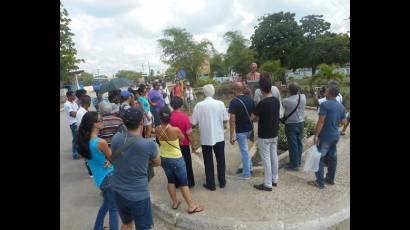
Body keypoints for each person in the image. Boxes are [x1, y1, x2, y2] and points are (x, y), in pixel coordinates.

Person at [110, 108, 161, 230]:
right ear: (141, 123)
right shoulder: (148, 144)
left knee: (126, 223)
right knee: (144, 226)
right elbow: (157, 162)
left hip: (118, 190)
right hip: (138, 195)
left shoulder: (116, 138)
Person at [157, 106, 204, 214]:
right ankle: (191, 206)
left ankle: (175, 202)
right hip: (176, 158)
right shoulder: (175, 130)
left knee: (171, 181)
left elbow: (159, 141)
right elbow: (182, 139)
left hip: (164, 157)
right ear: (170, 117)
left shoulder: (157, 129)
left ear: (159, 117)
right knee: (183, 183)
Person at [77, 111, 119, 230]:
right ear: (94, 124)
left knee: (107, 204)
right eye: (100, 120)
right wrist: (111, 160)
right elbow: (113, 157)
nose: (103, 122)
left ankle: (98, 227)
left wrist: (109, 160)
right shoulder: (101, 142)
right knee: (114, 208)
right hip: (109, 176)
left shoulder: (84, 141)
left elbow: (99, 158)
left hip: (99, 179)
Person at [308, 82, 347, 189]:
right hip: (335, 135)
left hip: (325, 135)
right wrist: (334, 121)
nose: (325, 91)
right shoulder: (341, 106)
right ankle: (330, 179)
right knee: (332, 157)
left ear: (329, 93)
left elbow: (321, 121)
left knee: (319, 158)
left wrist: (316, 135)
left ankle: (319, 182)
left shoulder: (324, 104)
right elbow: (344, 122)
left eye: (327, 90)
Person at [191, 84, 229, 191]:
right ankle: (222, 182)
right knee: (221, 160)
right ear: (213, 92)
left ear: (204, 93)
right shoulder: (220, 104)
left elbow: (193, 122)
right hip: (219, 136)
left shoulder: (199, 105)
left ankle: (211, 184)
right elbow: (225, 119)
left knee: (208, 161)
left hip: (206, 137)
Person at [251, 77, 280, 191]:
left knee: (266, 159)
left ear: (261, 89)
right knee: (274, 156)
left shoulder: (262, 103)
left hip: (264, 135)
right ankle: (274, 179)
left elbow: (253, 117)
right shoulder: (276, 101)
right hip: (274, 133)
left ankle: (267, 184)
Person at [228, 82, 255, 180]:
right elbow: (254, 115)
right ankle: (250, 168)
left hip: (241, 130)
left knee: (244, 151)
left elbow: (232, 120)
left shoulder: (234, 102)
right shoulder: (250, 99)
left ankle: (246, 173)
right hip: (250, 129)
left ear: (235, 90)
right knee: (246, 150)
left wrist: (231, 135)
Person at [170, 97, 197, 187]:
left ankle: (177, 183)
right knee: (187, 164)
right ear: (181, 105)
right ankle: (189, 182)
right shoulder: (184, 117)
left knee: (175, 164)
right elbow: (189, 134)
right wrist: (193, 145)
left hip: (173, 145)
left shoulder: (169, 116)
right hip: (184, 144)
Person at [282, 82, 306, 171]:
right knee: (299, 143)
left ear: (289, 90)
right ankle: (298, 161)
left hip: (291, 124)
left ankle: (294, 165)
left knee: (293, 145)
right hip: (301, 123)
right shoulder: (303, 97)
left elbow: (281, 108)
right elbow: (299, 92)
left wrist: (284, 92)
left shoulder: (286, 101)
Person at [76, 95, 94, 178]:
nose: (91, 103)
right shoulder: (81, 113)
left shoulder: (85, 111)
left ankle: (92, 170)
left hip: (87, 134)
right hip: (85, 135)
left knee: (90, 153)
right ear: (87, 102)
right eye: (90, 101)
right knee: (87, 154)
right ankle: (91, 172)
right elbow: (81, 126)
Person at [64, 90, 80, 159]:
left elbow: (78, 111)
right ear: (68, 96)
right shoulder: (66, 104)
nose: (74, 96)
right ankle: (75, 154)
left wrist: (77, 112)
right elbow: (73, 114)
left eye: (74, 95)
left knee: (79, 138)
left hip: (78, 122)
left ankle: (79, 152)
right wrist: (78, 112)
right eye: (73, 95)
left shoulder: (74, 102)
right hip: (73, 123)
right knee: (75, 139)